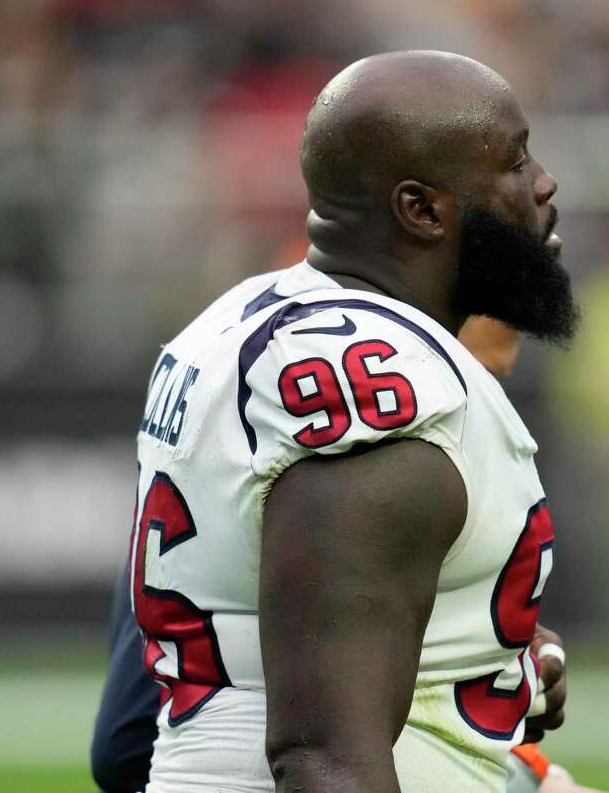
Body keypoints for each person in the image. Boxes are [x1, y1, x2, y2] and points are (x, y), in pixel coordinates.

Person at [109, 50, 582, 792]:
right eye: (515, 161)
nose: (544, 182)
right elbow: (325, 757)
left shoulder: (239, 319)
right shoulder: (381, 391)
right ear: (422, 210)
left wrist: (490, 648)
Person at [91, 318, 592, 793]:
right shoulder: (349, 422)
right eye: (474, 385)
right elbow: (133, 744)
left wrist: (488, 646)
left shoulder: (253, 351)